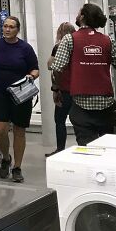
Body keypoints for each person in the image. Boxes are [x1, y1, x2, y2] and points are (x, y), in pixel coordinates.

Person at [51, 3, 116, 146]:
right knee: (107, 146)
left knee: (86, 148)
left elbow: (57, 68)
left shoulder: (69, 39)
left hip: (80, 104)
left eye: (79, 13)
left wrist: (57, 88)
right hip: (106, 103)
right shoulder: (108, 40)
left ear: (83, 17)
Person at [0, 16, 39, 183]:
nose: (7, 29)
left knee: (19, 130)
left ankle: (17, 167)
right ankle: (6, 158)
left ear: (17, 30)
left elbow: (35, 69)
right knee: (0, 129)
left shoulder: (25, 48)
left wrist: (31, 75)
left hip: (21, 93)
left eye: (11, 27)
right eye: (5, 26)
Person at [47, 22, 76, 155]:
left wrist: (55, 89)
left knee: (59, 120)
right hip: (78, 88)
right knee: (79, 121)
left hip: (63, 89)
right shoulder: (78, 46)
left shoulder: (58, 47)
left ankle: (60, 150)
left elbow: (52, 67)